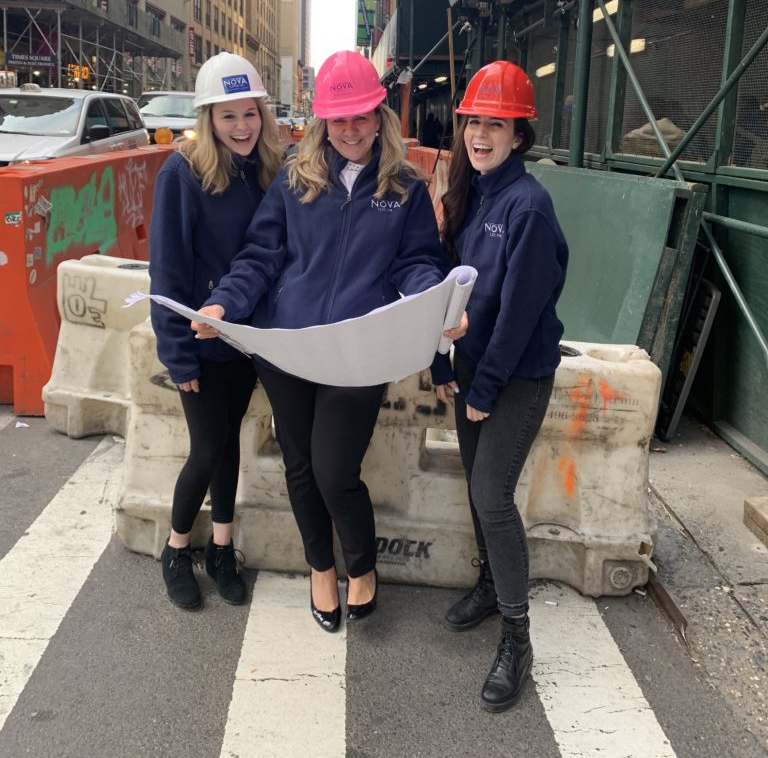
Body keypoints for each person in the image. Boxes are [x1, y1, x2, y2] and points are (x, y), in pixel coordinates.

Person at [193, 50, 465, 632]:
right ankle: (321, 568)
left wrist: (436, 299)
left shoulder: (405, 187)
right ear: (322, 122)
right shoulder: (295, 177)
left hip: (359, 349)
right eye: (338, 120)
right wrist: (225, 304)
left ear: (379, 115)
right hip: (290, 347)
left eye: (360, 117)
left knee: (334, 469)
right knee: (300, 466)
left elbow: (416, 262)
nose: (350, 131)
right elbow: (261, 256)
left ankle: (362, 567)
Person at [431, 60, 568, 712]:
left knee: (491, 495)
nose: (481, 134)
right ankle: (489, 585)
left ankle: (518, 634)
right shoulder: (471, 191)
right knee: (476, 488)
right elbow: (446, 295)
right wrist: (439, 365)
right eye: (473, 122)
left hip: (515, 376)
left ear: (521, 134)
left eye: (497, 123)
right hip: (470, 372)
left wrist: (483, 388)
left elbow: (517, 315)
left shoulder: (528, 207)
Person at [149, 52, 284, 610]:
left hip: (246, 342)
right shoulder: (182, 172)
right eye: (228, 117)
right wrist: (178, 355)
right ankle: (178, 549)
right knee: (206, 448)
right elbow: (169, 269)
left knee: (228, 445)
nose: (242, 127)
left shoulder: (268, 170)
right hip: (201, 343)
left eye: (249, 113)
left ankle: (222, 548)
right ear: (208, 119)